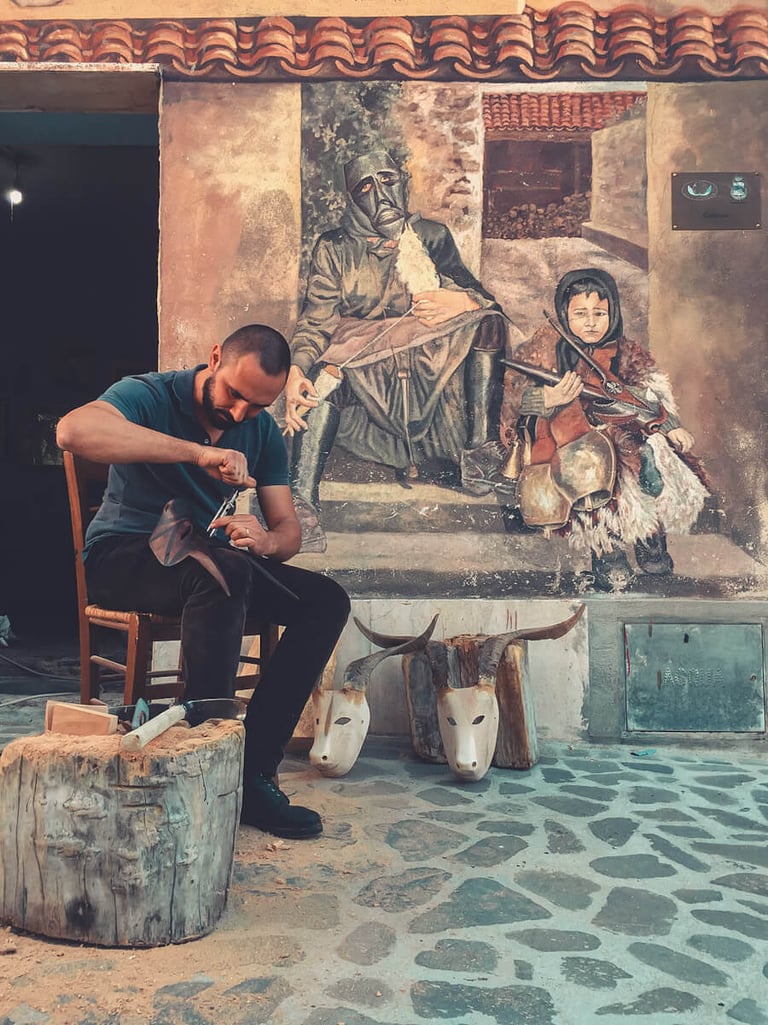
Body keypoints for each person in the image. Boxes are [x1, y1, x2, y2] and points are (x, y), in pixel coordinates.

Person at [56, 324, 350, 839]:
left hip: (207, 563)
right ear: (215, 358)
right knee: (220, 571)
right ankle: (200, 768)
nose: (240, 414)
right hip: (121, 557)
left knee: (325, 601)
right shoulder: (149, 393)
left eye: (257, 406)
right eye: (235, 395)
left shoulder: (260, 431)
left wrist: (264, 541)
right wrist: (196, 453)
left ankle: (250, 772)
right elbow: (72, 432)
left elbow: (289, 532)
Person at [284, 149, 509, 552]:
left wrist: (462, 302)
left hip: (427, 357)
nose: (381, 197)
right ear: (353, 199)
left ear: (402, 183)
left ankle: (479, 454)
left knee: (489, 322)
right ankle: (301, 502)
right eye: (366, 189)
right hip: (363, 362)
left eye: (387, 181)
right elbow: (317, 322)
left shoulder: (432, 236)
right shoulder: (333, 247)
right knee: (323, 377)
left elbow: (480, 295)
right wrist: (297, 369)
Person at [501, 268, 710, 592]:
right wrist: (548, 398)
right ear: (563, 313)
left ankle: (649, 538)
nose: (590, 322)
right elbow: (517, 398)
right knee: (592, 480)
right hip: (572, 438)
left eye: (599, 313)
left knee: (648, 469)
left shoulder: (625, 354)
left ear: (612, 313)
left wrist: (670, 426)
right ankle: (607, 552)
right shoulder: (545, 350)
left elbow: (647, 396)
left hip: (628, 435)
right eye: (580, 314)